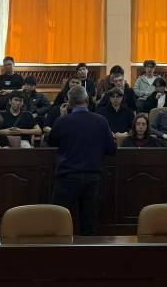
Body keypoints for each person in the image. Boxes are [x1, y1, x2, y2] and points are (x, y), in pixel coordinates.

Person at [48, 86, 116, 235]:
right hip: (93, 176)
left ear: (70, 103)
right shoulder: (101, 121)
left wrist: (62, 117)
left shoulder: (63, 121)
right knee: (89, 223)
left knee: (59, 220)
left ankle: (58, 249)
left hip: (67, 175)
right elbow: (112, 149)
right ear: (87, 100)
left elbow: (51, 142)